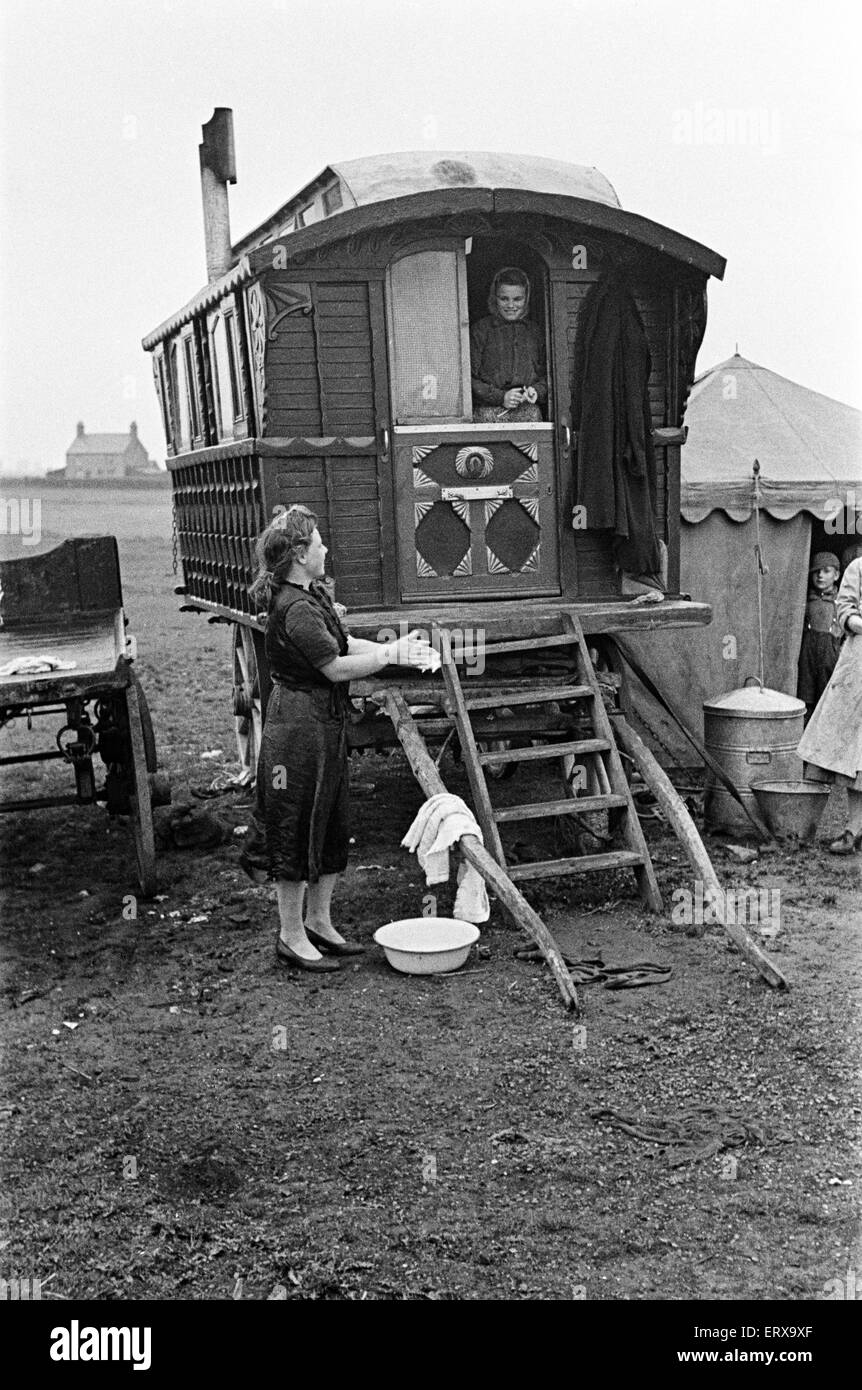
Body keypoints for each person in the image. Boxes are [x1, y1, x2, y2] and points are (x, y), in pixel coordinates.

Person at [239, 505, 436, 970]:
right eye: (320, 542)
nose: (327, 548)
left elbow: (345, 645)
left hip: (322, 723)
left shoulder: (312, 597)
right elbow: (335, 667)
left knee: (329, 821)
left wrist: (403, 652)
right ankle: (290, 935)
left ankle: (319, 922)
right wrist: (391, 653)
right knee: (295, 826)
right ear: (301, 554)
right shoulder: (294, 607)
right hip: (297, 729)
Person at [797, 555, 862, 854]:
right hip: (858, 667)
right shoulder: (858, 568)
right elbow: (844, 611)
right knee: (855, 755)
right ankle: (853, 830)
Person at [470, 267, 547, 422]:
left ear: (526, 298)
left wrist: (536, 391)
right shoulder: (481, 330)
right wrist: (500, 397)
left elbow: (550, 375)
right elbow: (468, 379)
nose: (511, 305)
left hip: (528, 412)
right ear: (494, 298)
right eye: (504, 299)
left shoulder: (535, 332)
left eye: (517, 299)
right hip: (487, 412)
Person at [797, 551, 843, 719]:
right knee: (805, 700)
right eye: (816, 571)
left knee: (828, 703)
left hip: (830, 660)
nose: (820, 576)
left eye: (826, 571)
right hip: (806, 659)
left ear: (836, 575)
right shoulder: (805, 600)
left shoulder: (842, 602)